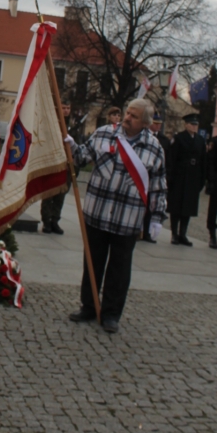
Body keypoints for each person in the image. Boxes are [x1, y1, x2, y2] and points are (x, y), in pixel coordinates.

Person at [67, 98, 167, 333]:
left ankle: (111, 313)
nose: (127, 118)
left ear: (145, 123)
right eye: (127, 112)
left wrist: (157, 217)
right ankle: (89, 306)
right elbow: (81, 157)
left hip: (127, 218)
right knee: (93, 263)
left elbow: (158, 185)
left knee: (119, 270)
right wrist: (71, 145)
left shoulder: (154, 148)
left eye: (133, 116)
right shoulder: (104, 133)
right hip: (97, 213)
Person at [167, 113, 206, 246]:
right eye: (192, 124)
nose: (194, 127)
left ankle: (183, 234)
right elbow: (172, 158)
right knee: (176, 206)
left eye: (196, 125)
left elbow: (203, 160)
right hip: (180, 176)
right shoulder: (179, 138)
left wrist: (202, 179)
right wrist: (170, 177)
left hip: (193, 177)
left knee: (188, 207)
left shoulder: (200, 140)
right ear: (186, 125)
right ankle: (174, 234)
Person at [41, 99, 74, 235]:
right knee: (49, 195)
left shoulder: (73, 125)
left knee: (60, 196)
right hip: (53, 164)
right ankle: (46, 221)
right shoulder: (53, 123)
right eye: (63, 107)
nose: (66, 110)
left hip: (66, 166)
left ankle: (55, 220)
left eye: (68, 108)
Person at [141, 112, 171, 242]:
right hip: (143, 175)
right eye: (155, 123)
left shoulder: (164, 140)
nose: (158, 126)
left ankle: (147, 231)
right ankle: (139, 230)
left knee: (150, 205)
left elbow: (168, 160)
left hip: (155, 177)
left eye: (159, 124)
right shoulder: (143, 137)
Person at [205, 136, 217, 249]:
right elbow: (210, 162)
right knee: (213, 209)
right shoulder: (215, 141)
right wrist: (211, 180)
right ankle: (212, 235)